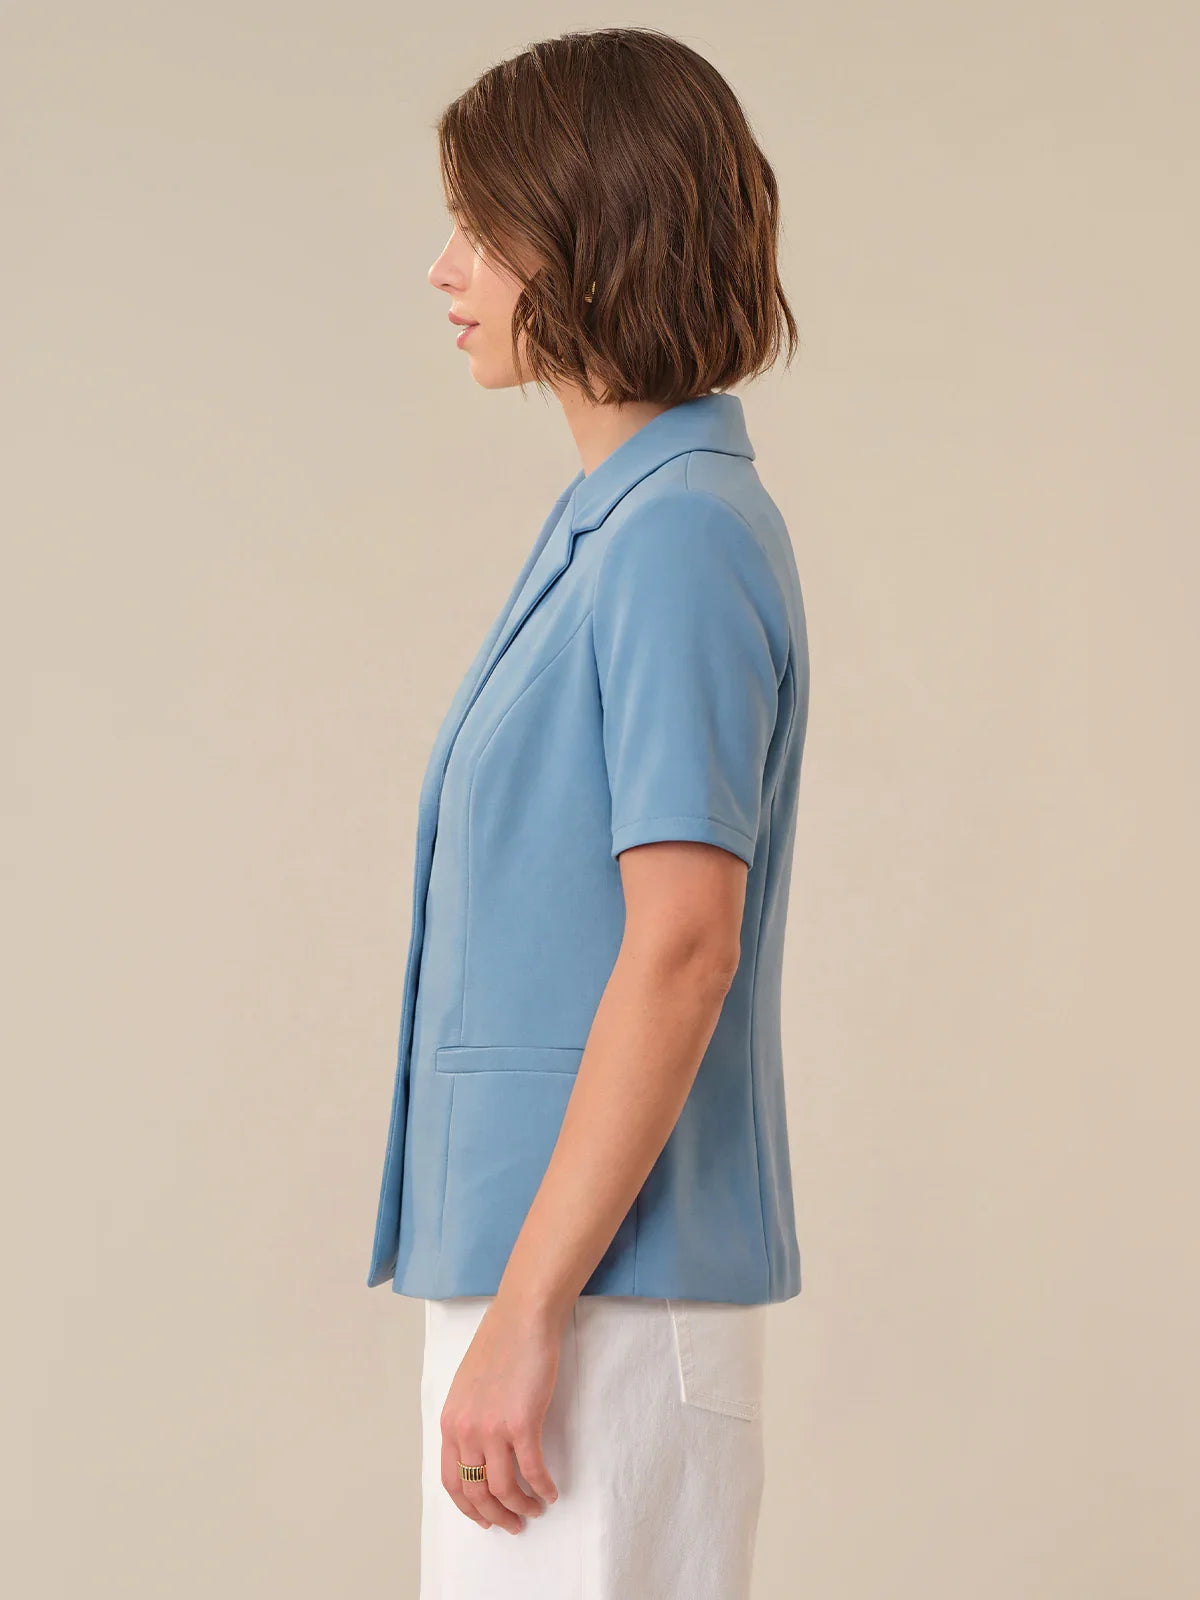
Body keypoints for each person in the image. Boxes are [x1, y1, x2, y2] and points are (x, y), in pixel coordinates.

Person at [366, 26, 810, 1599]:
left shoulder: (678, 535)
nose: (445, 269)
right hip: (551, 1286)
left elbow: (684, 943)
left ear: (594, 231)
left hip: (593, 1301)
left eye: (482, 228)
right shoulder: (617, 526)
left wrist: (532, 1307)